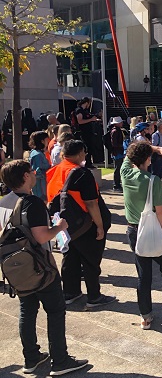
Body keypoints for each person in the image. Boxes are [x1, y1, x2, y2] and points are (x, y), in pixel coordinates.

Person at [0, 160, 89, 376]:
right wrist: (59, 227)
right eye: (30, 171)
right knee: (56, 311)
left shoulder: (3, 203)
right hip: (39, 266)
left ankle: (31, 358)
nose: (34, 174)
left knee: (27, 310)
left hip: (16, 268)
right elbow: (41, 236)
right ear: (24, 177)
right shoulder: (32, 203)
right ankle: (60, 360)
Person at [120, 141, 162, 329]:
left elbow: (130, 152)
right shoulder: (153, 181)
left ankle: (146, 315)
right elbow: (161, 213)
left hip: (134, 230)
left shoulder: (125, 173)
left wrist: (152, 149)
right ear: (147, 159)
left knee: (143, 274)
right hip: (154, 230)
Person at [46, 140, 116, 309]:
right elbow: (91, 203)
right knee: (91, 261)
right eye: (84, 153)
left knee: (70, 258)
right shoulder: (81, 173)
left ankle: (70, 293)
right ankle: (94, 297)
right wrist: (99, 226)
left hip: (64, 224)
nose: (85, 155)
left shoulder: (57, 170)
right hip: (85, 224)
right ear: (78, 154)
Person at [73, 97, 101, 168]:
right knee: (87, 147)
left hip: (88, 131)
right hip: (83, 132)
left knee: (90, 147)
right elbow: (80, 121)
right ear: (86, 103)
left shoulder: (85, 111)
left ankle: (89, 163)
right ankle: (87, 163)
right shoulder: (79, 110)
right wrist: (91, 119)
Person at [28, 131, 51, 202]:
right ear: (42, 141)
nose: (48, 142)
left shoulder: (36, 152)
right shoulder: (37, 155)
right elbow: (36, 172)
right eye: (47, 139)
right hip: (40, 188)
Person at [109, 117, 126, 190]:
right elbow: (114, 143)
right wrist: (121, 145)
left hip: (119, 151)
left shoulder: (118, 130)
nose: (122, 123)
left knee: (119, 168)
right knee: (117, 168)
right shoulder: (115, 131)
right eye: (120, 122)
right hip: (117, 152)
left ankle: (118, 183)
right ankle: (116, 185)